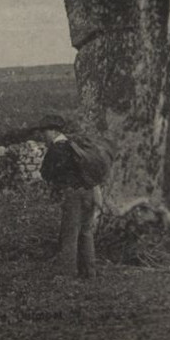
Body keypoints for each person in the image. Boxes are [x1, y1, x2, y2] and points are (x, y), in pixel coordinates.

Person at [38, 116, 115, 279]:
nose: (43, 137)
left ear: (52, 131)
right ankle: (89, 272)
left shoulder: (57, 148)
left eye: (44, 133)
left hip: (73, 193)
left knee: (69, 232)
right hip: (89, 191)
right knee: (85, 231)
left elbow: (46, 172)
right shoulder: (75, 146)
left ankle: (67, 274)